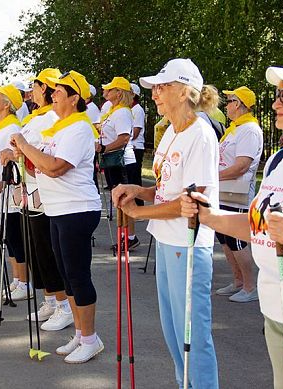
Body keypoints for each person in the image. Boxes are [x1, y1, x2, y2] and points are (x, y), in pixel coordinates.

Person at [181, 61, 283, 389]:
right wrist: (208, 215)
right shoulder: (279, 161)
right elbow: (257, 227)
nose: (277, 103)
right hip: (276, 309)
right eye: (278, 95)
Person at [112, 58, 219, 388]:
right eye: (154, 87)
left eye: (162, 86)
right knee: (173, 334)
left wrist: (139, 213)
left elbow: (192, 200)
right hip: (168, 240)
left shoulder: (200, 134)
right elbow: (168, 186)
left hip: (188, 245)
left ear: (185, 91)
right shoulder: (172, 129)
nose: (155, 93)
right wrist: (139, 191)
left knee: (192, 338)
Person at [11, 70, 103, 363]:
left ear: (75, 98)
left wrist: (26, 147)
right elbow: (41, 165)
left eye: (58, 92)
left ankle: (90, 338)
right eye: (51, 91)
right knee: (66, 275)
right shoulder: (61, 128)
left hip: (77, 208)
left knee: (77, 275)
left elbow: (55, 167)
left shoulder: (79, 128)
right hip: (58, 208)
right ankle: (80, 333)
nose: (52, 95)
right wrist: (22, 154)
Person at [2, 67, 74, 330]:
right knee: (35, 249)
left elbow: (38, 152)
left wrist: (18, 151)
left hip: (43, 189)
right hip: (28, 187)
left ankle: (62, 304)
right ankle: (50, 299)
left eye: (35, 87)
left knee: (45, 248)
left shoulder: (50, 118)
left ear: (42, 88)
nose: (31, 92)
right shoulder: (38, 116)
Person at [214, 86, 263, 303]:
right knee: (224, 239)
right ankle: (238, 281)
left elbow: (242, 166)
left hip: (237, 192)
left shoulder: (249, 130)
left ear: (240, 104)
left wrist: (213, 177)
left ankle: (251, 286)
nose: (227, 105)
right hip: (224, 191)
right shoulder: (235, 128)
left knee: (237, 241)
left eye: (230, 101)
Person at [0, 82, 28, 299]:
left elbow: (18, 164)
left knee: (15, 237)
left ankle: (24, 282)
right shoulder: (0, 125)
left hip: (8, 192)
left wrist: (4, 182)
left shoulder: (12, 128)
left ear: (6, 104)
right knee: (7, 238)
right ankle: (16, 280)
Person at [99, 76, 139, 248]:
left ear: (119, 93)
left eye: (110, 89)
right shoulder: (114, 110)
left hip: (121, 160)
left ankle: (130, 237)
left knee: (124, 200)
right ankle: (125, 236)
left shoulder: (122, 112)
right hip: (113, 160)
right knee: (119, 200)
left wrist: (103, 148)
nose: (105, 91)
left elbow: (124, 138)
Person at [130, 83, 146, 206]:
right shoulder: (130, 109)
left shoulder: (138, 110)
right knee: (130, 178)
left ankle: (139, 204)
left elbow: (136, 131)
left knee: (135, 178)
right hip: (130, 147)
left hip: (136, 147)